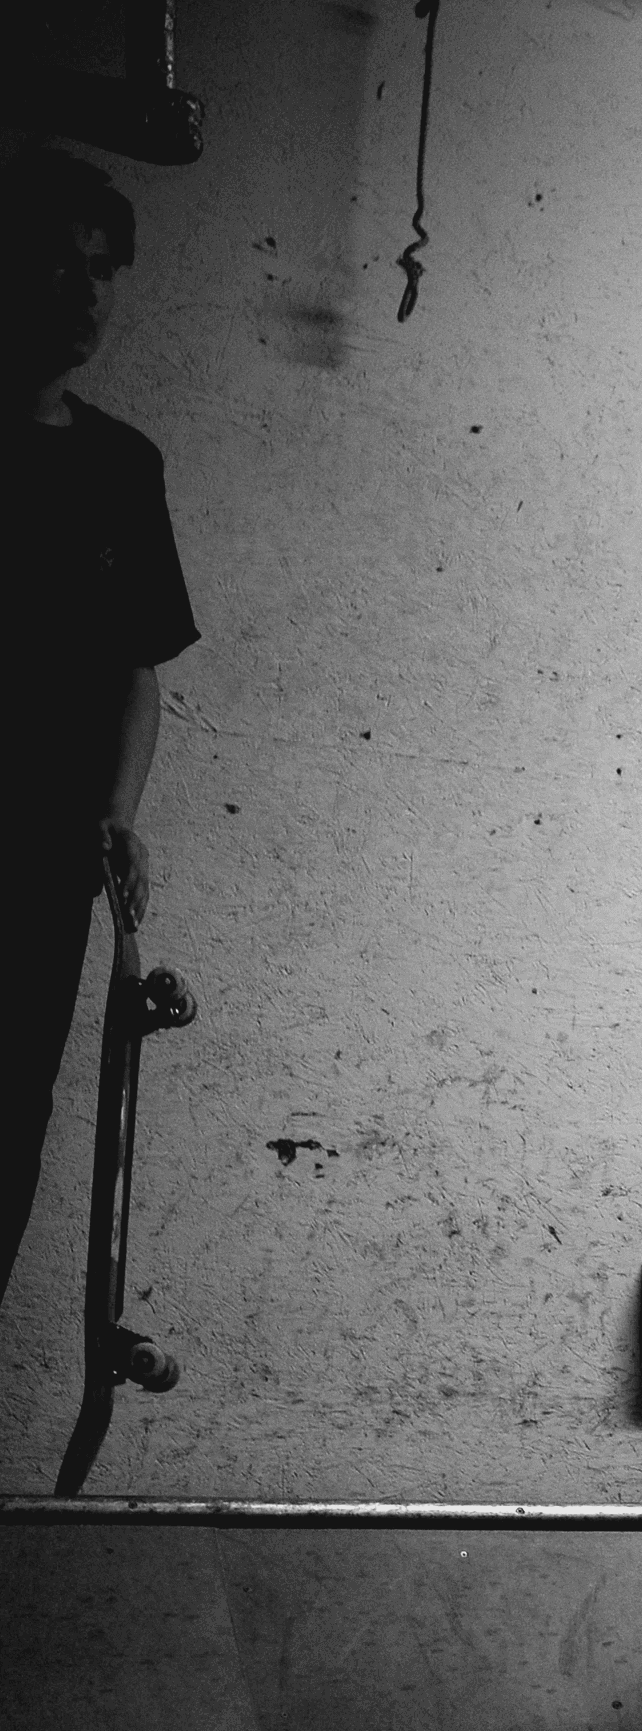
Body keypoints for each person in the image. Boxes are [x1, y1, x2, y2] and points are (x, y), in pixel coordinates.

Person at [1, 148, 200, 1305]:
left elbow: (137, 666)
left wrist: (120, 814)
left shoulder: (123, 466)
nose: (84, 294)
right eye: (54, 265)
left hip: (41, 876)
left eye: (101, 270)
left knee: (6, 1144)